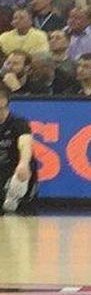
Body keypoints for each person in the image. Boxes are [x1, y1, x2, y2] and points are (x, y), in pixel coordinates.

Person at [0, 86, 35, 214]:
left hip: (15, 170)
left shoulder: (18, 123)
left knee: (21, 173)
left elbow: (25, 144)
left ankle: (15, 199)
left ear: (3, 101)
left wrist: (24, 163)